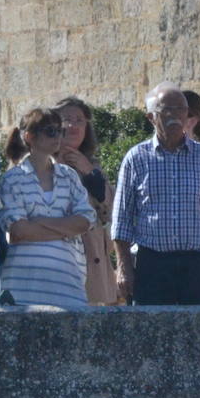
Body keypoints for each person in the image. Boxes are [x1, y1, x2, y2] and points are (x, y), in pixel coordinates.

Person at [112, 82, 200, 305]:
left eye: (181, 109)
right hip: (153, 265)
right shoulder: (136, 159)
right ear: (151, 117)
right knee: (154, 333)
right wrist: (124, 267)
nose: (176, 116)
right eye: (167, 109)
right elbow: (122, 222)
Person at [0, 107, 98, 307]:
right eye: (50, 131)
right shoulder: (12, 179)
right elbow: (18, 230)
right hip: (23, 286)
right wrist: (65, 228)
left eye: (60, 131)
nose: (58, 136)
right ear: (29, 137)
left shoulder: (69, 176)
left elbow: (86, 220)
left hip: (68, 283)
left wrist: (40, 222)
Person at [55, 96, 120, 304]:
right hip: (61, 263)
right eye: (67, 119)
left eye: (79, 120)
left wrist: (90, 172)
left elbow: (111, 211)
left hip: (96, 268)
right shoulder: (43, 164)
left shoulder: (93, 165)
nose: (73, 126)